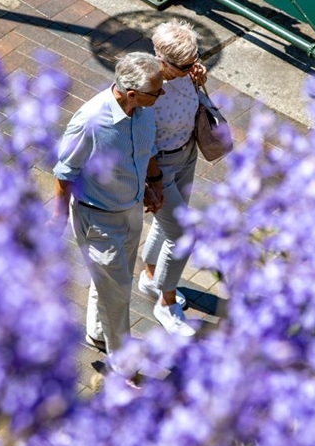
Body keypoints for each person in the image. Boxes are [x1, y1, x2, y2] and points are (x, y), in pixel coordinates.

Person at [51, 52, 165, 359]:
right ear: (132, 93)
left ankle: (98, 334)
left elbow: (146, 148)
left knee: (115, 282)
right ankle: (122, 361)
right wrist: (57, 220)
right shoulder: (90, 121)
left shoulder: (143, 110)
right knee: (118, 298)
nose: (162, 94)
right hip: (99, 221)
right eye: (157, 91)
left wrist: (152, 183)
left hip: (131, 210)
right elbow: (64, 173)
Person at [138, 20, 209, 337]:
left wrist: (198, 73)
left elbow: (191, 78)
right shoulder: (145, 86)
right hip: (160, 168)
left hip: (187, 152)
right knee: (183, 234)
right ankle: (165, 303)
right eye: (185, 65)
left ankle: (151, 276)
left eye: (195, 59)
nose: (192, 67)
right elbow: (142, 141)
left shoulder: (186, 70)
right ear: (162, 61)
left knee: (167, 226)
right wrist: (152, 182)